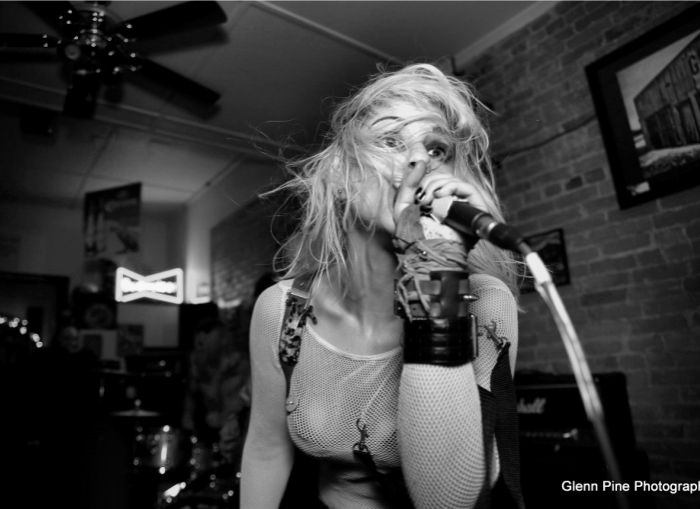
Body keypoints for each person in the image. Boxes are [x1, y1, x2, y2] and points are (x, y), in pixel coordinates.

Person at [241, 63, 522, 508]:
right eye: (391, 141)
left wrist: (437, 281)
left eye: (436, 149)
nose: (418, 161)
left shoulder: (483, 301)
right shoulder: (282, 309)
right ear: (339, 176)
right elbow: (266, 449)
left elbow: (450, 500)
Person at [182, 317, 250, 464]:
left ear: (223, 340)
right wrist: (187, 430)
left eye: (206, 341)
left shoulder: (241, 364)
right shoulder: (198, 363)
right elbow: (191, 398)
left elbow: (250, 400)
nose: (201, 346)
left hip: (237, 432)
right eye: (199, 342)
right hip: (209, 434)